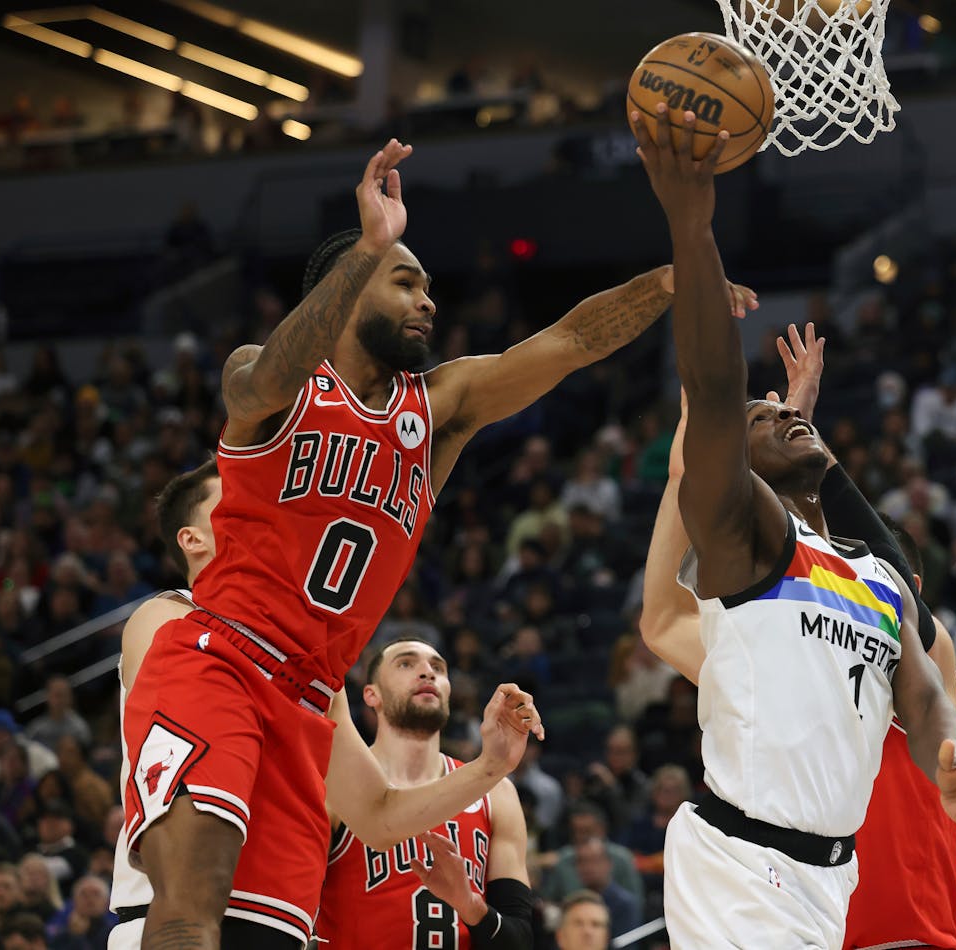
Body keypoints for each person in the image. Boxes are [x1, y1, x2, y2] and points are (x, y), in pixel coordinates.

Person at [121, 136, 715, 949]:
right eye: (405, 281)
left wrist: (674, 271)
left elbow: (570, 343)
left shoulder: (436, 412)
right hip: (221, 656)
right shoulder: (271, 377)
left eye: (428, 286)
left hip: (309, 697)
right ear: (349, 286)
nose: (427, 300)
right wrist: (366, 245)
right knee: (193, 902)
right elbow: (258, 386)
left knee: (267, 935)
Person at [630, 106, 956, 949]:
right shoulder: (751, 541)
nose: (786, 417)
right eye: (765, 419)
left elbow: (927, 689)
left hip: (827, 878)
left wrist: (945, 757)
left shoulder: (870, 574)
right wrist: (693, 227)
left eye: (791, 416)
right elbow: (716, 385)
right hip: (739, 863)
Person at [641, 322, 956, 950]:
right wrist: (688, 470)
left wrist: (792, 429)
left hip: (900, 931)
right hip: (783, 895)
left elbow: (876, 562)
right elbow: (663, 622)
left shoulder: (910, 632)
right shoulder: (774, 638)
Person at [111, 460, 540, 949]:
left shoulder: (312, 665)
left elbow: (378, 817)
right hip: (176, 912)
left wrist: (492, 766)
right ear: (193, 539)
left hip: (279, 922)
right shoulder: (167, 617)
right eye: (239, 504)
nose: (264, 511)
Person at [317, 637, 533, 950]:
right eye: (406, 663)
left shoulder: (497, 793)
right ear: (371, 694)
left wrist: (472, 907)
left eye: (438, 668)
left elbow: (520, 941)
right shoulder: (336, 787)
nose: (427, 672)